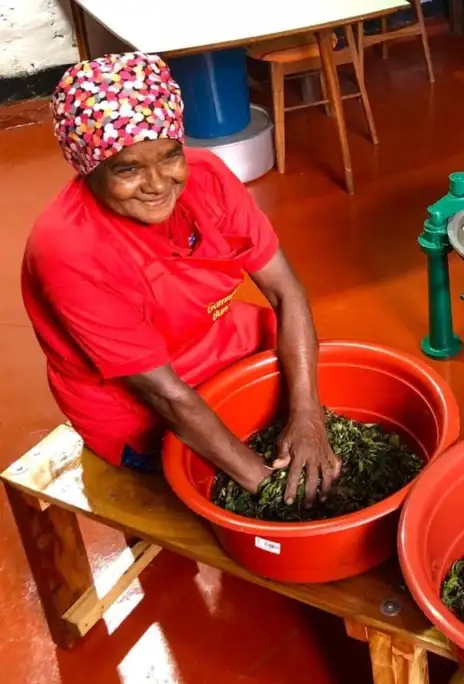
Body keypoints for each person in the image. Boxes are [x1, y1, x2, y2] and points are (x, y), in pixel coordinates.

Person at [22, 52, 338, 507]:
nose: (157, 184)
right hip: (136, 402)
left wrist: (308, 417)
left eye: (170, 157)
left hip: (215, 342)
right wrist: (273, 495)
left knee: (316, 399)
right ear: (88, 167)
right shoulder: (69, 250)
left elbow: (286, 291)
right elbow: (164, 395)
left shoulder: (208, 177)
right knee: (206, 490)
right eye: (127, 169)